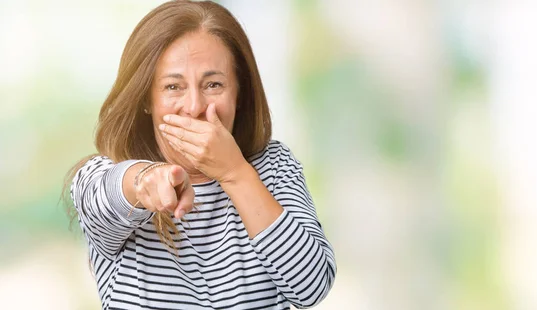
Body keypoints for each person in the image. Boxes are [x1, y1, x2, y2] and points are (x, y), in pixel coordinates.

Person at [65, 1, 336, 309]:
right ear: (146, 100)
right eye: (173, 87)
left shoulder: (274, 167)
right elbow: (109, 195)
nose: (194, 107)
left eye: (213, 84)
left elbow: (311, 288)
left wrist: (235, 173)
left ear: (239, 95)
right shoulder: (100, 176)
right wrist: (145, 181)